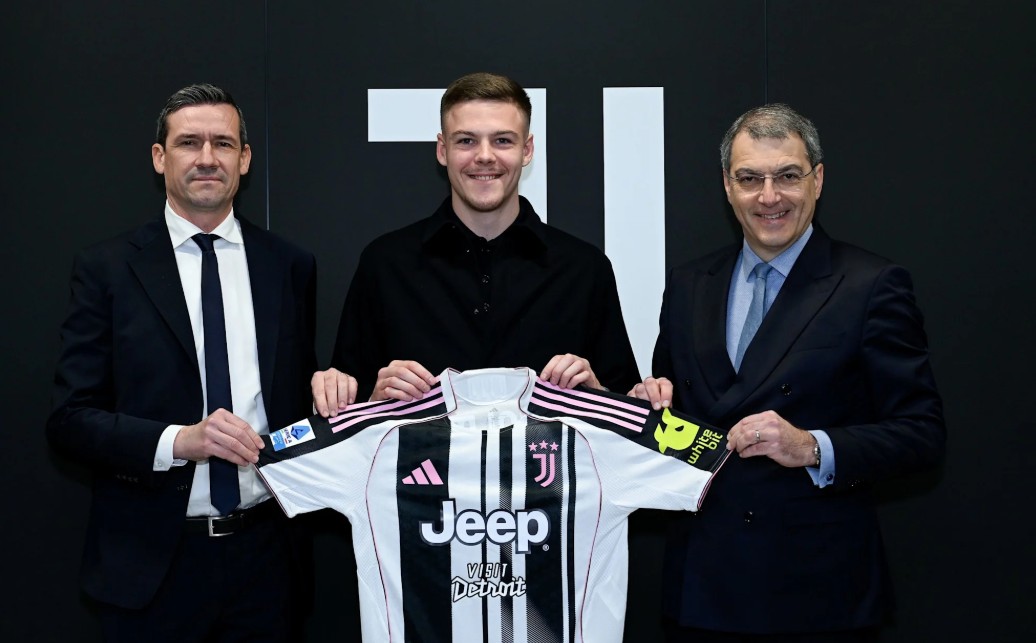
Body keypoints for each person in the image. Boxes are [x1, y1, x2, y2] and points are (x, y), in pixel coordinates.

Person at [46, 83, 351, 642]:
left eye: (223, 143)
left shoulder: (288, 265)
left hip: (268, 562)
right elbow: (69, 420)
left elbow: (291, 398)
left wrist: (325, 388)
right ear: (160, 157)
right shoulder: (107, 269)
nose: (208, 158)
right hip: (151, 566)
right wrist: (180, 442)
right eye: (189, 143)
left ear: (245, 158)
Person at [630, 104, 945, 642]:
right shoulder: (689, 284)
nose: (769, 196)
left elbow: (922, 434)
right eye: (750, 178)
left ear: (818, 180)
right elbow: (682, 426)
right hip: (701, 589)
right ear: (728, 187)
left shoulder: (869, 284)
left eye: (788, 176)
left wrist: (812, 446)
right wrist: (637, 406)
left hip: (817, 594)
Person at [312, 72, 640, 413]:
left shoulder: (584, 269)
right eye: (466, 141)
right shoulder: (385, 263)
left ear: (527, 150)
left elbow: (625, 415)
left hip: (544, 468)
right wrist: (373, 400)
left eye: (502, 141)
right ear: (443, 150)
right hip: (419, 468)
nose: (484, 156)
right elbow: (344, 415)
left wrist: (599, 393)